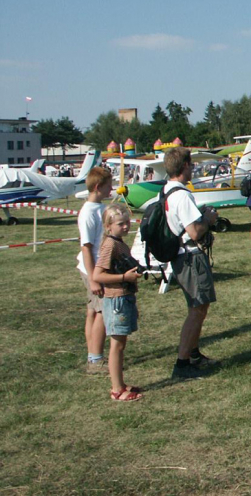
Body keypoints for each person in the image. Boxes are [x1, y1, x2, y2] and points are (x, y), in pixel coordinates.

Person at [163, 147, 220, 379]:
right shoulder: (182, 195)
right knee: (197, 309)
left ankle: (193, 354)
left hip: (180, 255)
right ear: (185, 166)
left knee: (198, 307)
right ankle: (182, 362)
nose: (193, 168)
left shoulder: (167, 190)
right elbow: (194, 231)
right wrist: (207, 219)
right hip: (190, 257)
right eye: (191, 164)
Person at [91, 205, 142, 402]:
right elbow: (98, 274)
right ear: (108, 226)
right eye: (121, 224)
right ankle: (117, 389)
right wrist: (124, 276)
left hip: (124, 296)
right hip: (116, 300)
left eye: (127, 222)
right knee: (117, 344)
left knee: (121, 342)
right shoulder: (110, 245)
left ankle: (120, 383)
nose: (126, 227)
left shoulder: (119, 242)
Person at [77, 166, 113, 374]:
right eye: (109, 186)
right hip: (94, 269)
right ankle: (96, 359)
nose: (111, 189)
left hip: (97, 267)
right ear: (98, 187)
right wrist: (93, 279)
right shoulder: (88, 213)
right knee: (101, 311)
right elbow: (87, 247)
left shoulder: (99, 208)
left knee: (92, 310)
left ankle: (93, 354)